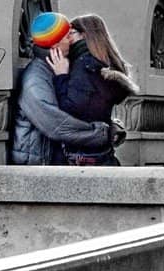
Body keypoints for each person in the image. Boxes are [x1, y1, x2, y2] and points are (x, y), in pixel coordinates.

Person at [10, 11, 121, 166]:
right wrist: (102, 133)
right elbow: (57, 125)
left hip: (57, 162)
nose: (71, 39)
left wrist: (110, 125)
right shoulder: (35, 79)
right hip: (38, 167)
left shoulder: (61, 66)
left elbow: (78, 108)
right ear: (55, 43)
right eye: (66, 35)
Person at [46, 13, 139, 167]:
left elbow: (71, 109)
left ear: (83, 36)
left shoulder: (84, 65)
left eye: (70, 33)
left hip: (80, 157)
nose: (66, 38)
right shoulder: (102, 65)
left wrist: (61, 76)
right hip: (102, 155)